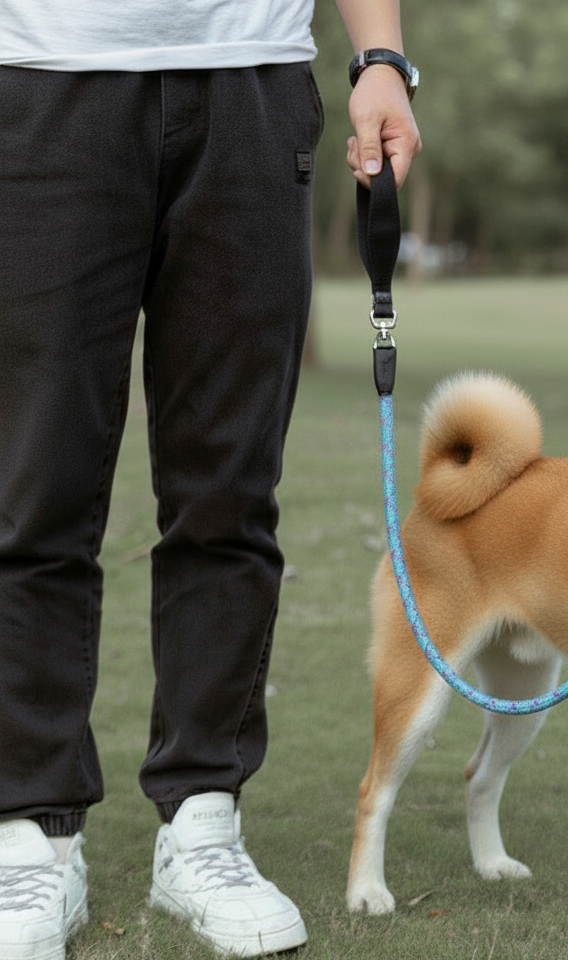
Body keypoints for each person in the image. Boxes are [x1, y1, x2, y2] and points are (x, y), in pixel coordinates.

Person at [0, 1, 420, 957]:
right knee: (33, 494)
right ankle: (29, 836)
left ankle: (202, 822)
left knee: (229, 494)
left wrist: (380, 59)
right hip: (39, 82)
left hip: (252, 83)